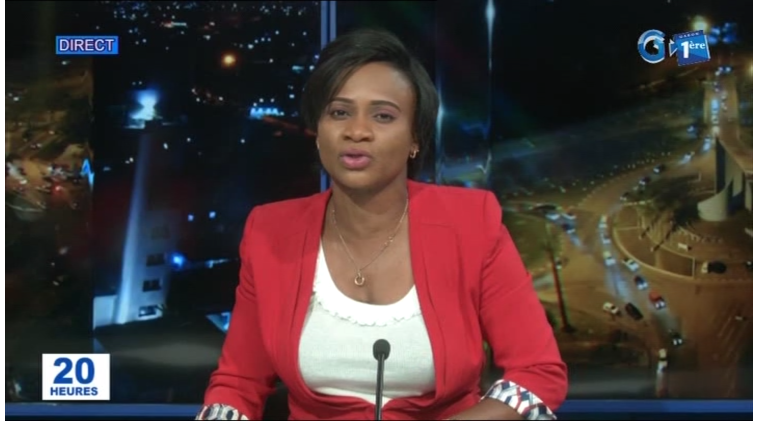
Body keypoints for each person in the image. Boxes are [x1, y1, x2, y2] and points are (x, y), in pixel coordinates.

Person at [197, 28, 567, 421]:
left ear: (415, 138)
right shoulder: (270, 231)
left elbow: (537, 372)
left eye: (383, 116)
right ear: (318, 132)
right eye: (339, 113)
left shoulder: (471, 222)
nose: (357, 131)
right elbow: (238, 383)